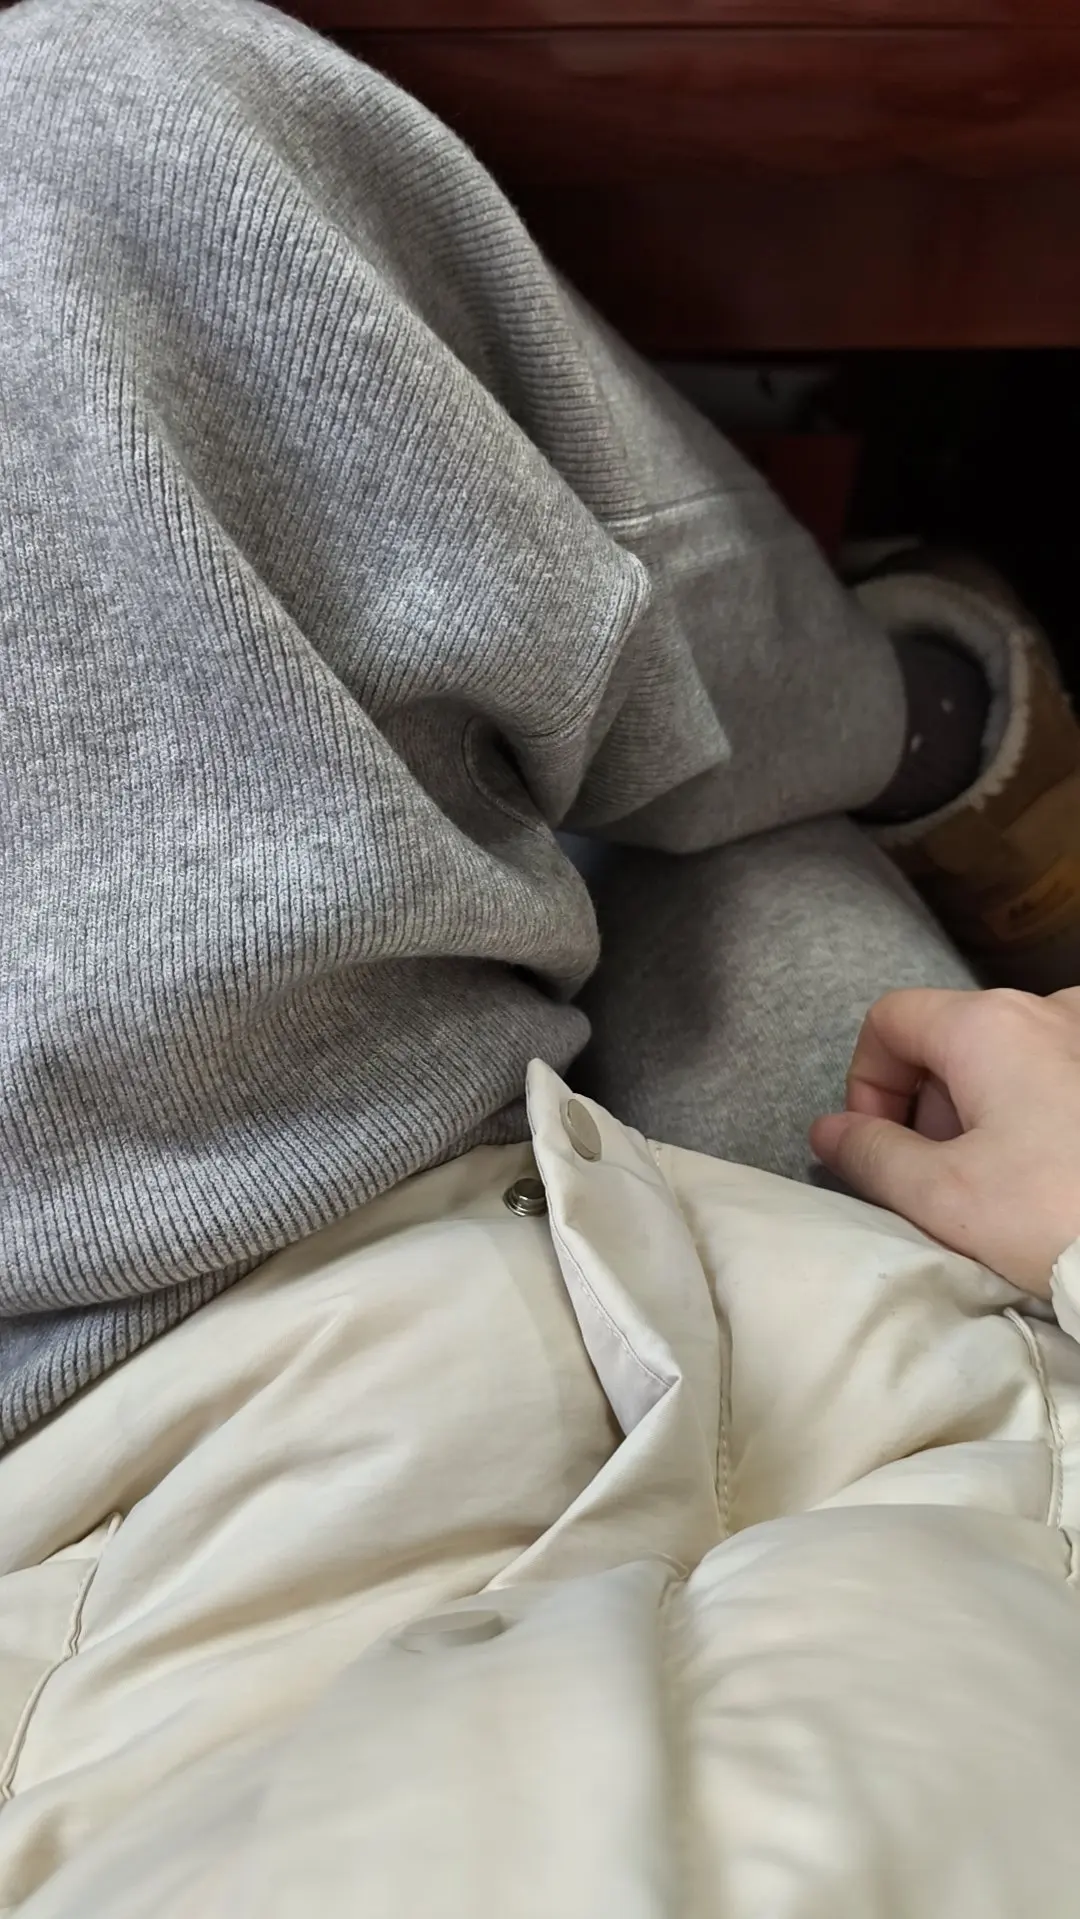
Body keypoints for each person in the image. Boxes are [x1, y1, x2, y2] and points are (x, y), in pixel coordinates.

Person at [2, 0, 1080, 1911]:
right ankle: (924, 719)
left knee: (85, 154)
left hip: (107, 1478)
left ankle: (906, 710)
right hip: (858, 1381)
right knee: (88, 144)